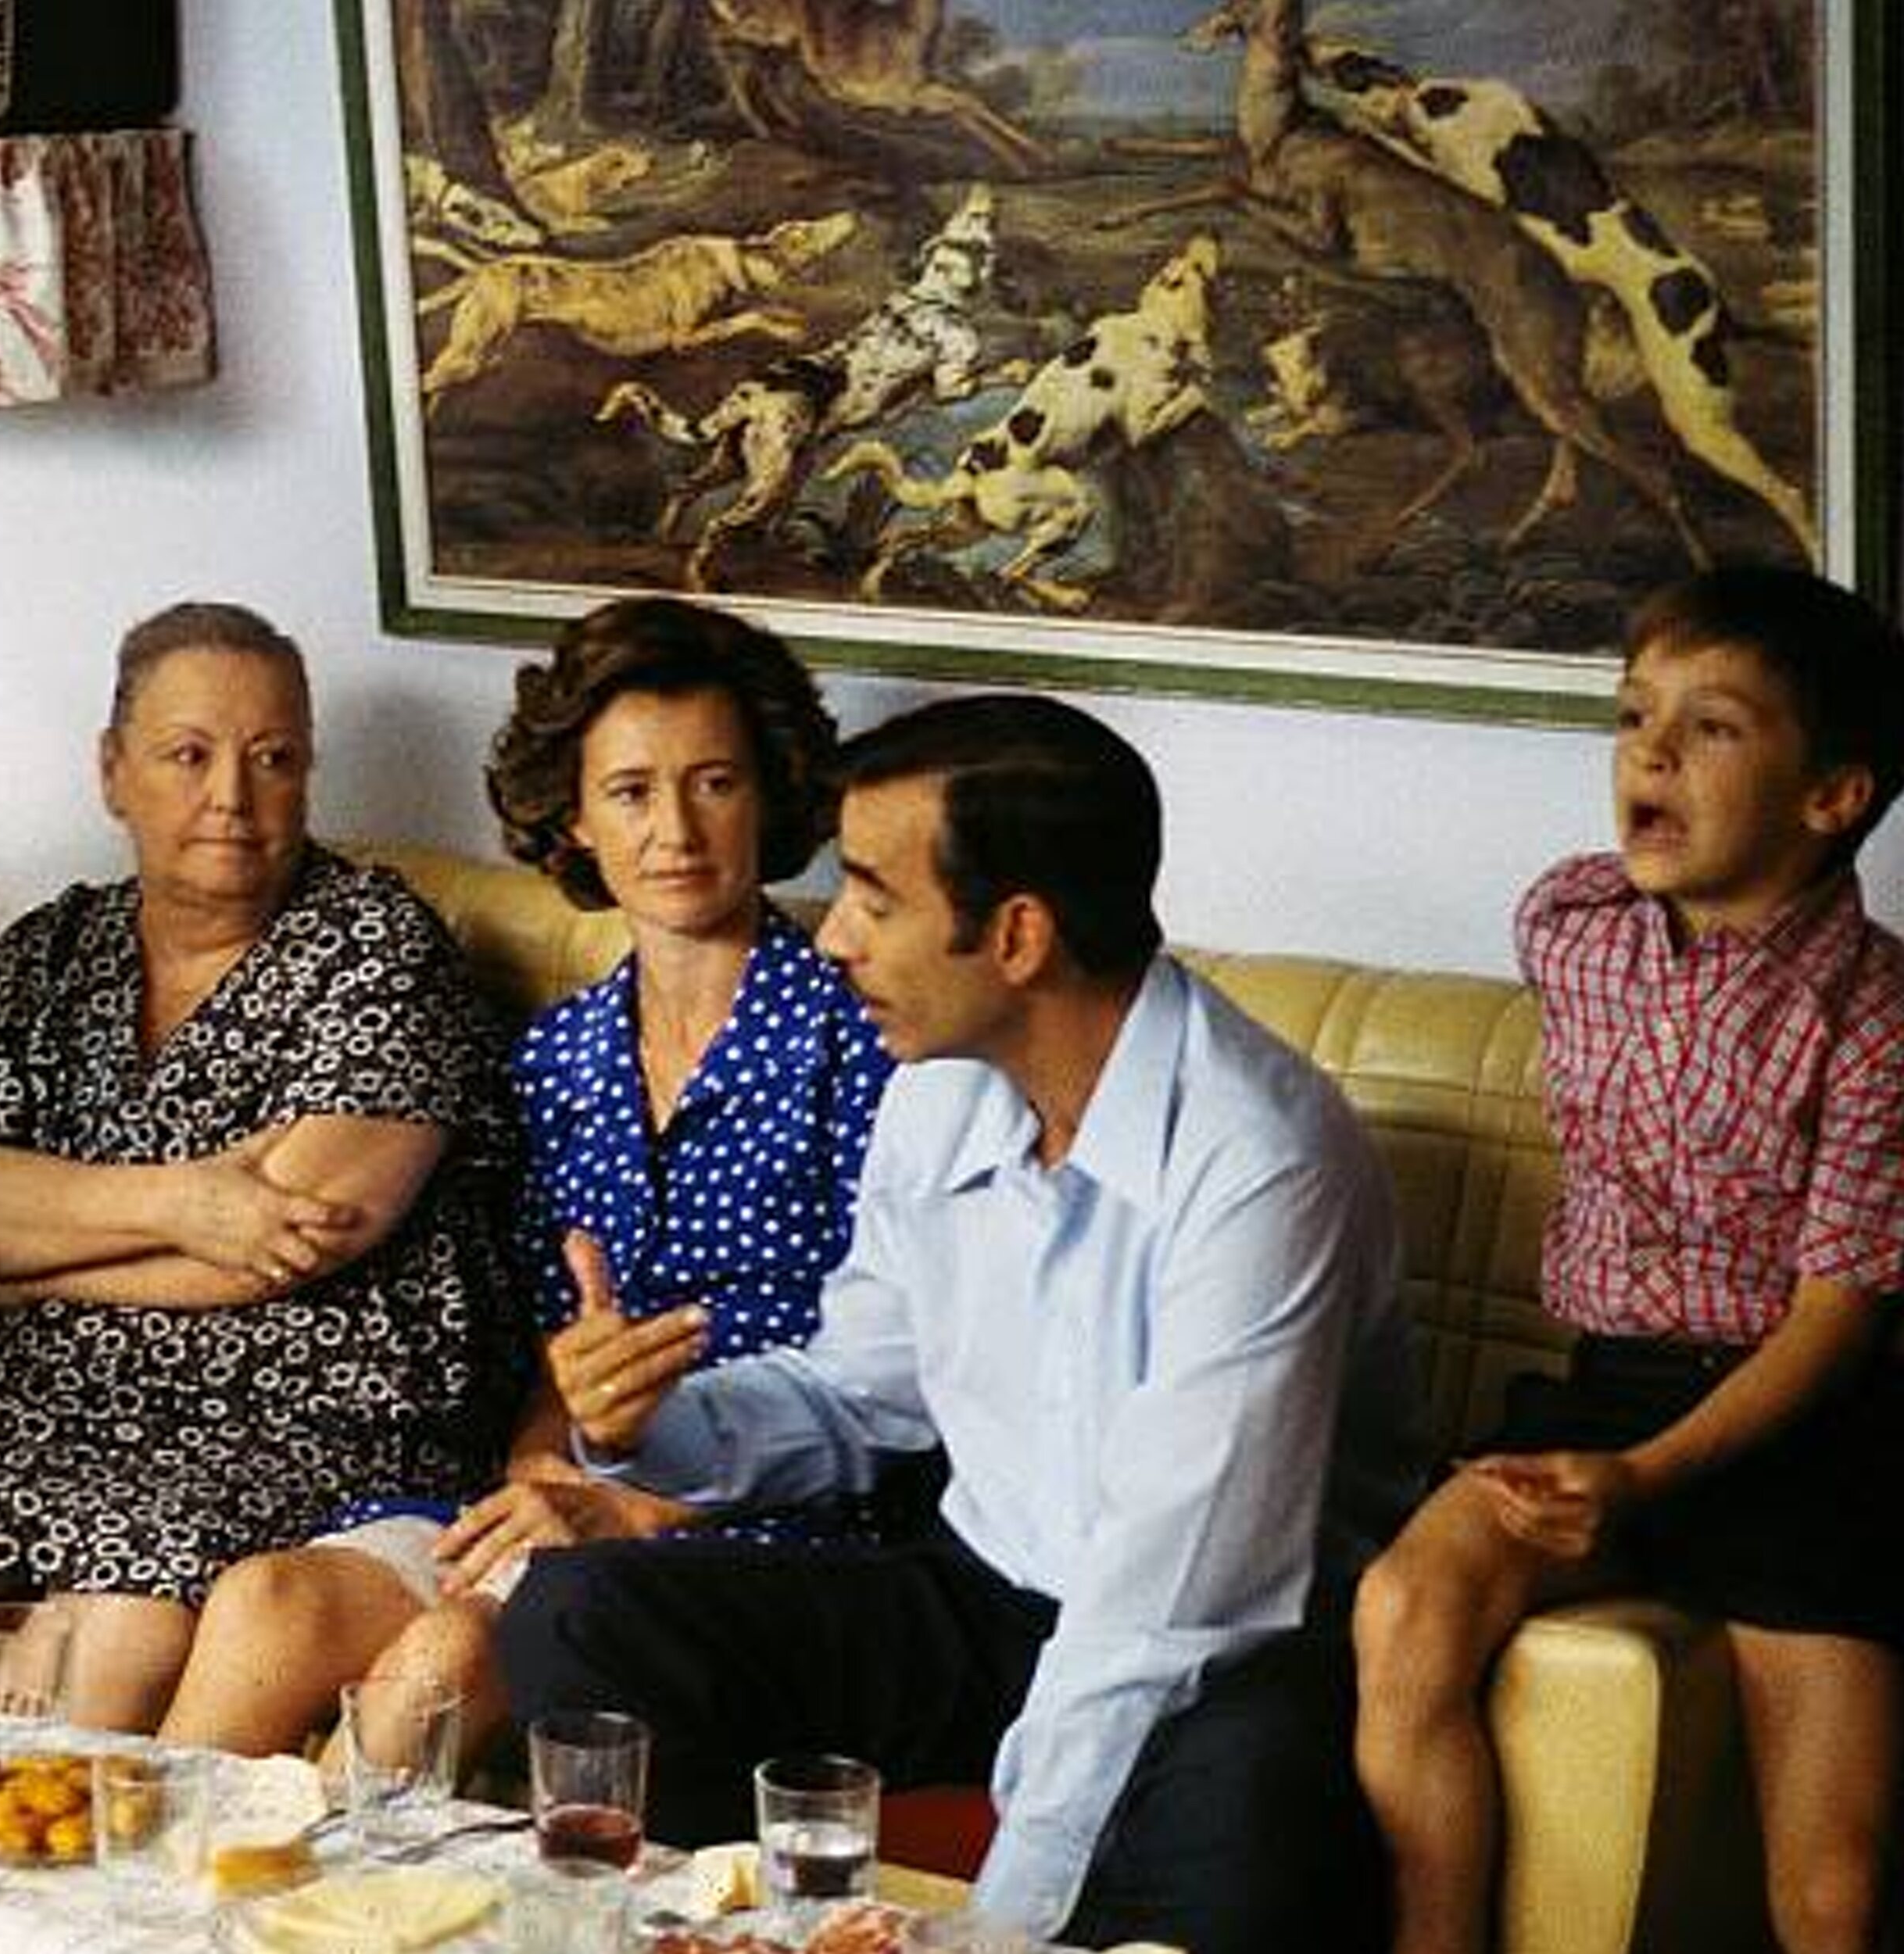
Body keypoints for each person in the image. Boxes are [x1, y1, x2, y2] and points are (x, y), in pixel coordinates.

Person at [496, 694, 1418, 1954]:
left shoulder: (1261, 1162)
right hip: (986, 1593)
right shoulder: (938, 1093)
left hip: (1224, 1657)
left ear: (1018, 935)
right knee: (576, 1613)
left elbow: (1166, 1609)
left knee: (1245, 1817)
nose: (834, 940)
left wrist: (995, 1925)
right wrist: (652, 1425)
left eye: (874, 898)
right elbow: (859, 1396)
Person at [158, 596, 891, 1761]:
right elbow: (543, 1347)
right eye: (632, 792)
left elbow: (894, 1395)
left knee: (446, 1658)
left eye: (714, 784)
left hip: (761, 1525)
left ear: (770, 796)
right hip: (555, 1493)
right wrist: (542, 1475)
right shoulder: (554, 1058)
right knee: (268, 1602)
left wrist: (622, 1508)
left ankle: (300, 1883)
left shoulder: (865, 1045)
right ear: (577, 819)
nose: (675, 831)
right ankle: (157, 1881)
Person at [0, 600, 523, 1749]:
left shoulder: (377, 947)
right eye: (189, 755)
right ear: (113, 772)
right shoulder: (48, 953)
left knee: (131, 1580)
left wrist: (28, 1271)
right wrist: (187, 1202)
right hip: (50, 1393)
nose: (232, 796)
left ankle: (39, 1844)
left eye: (273, 759)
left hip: (308, 1405)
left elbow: (291, 1243)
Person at [1354, 567, 1904, 1954]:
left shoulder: (1880, 1016)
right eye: (1632, 716)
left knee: (1831, 1894)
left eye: (1712, 728)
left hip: (1808, 1431)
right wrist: (1612, 1458)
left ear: (1832, 796)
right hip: (1602, 1390)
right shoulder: (1572, 927)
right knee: (1408, 1605)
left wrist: (1648, 1481)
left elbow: (1836, 1319)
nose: (1649, 753)